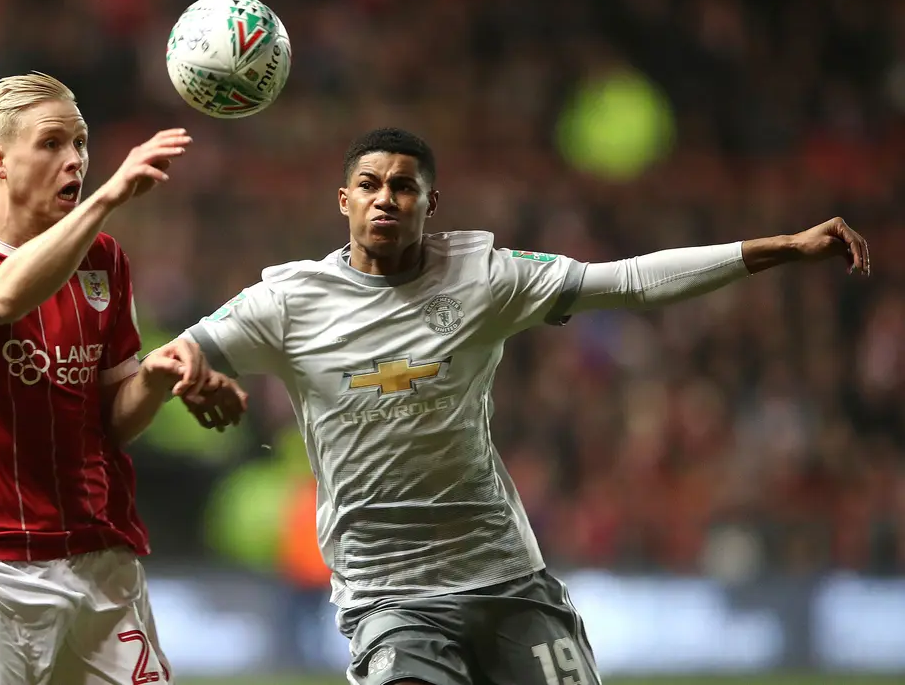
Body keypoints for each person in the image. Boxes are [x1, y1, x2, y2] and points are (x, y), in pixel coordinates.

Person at [181, 127, 871, 685]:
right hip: (388, 597)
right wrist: (192, 373)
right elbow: (171, 356)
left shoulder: (483, 276)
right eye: (369, 185)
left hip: (505, 579)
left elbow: (627, 282)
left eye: (402, 186)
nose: (384, 199)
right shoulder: (287, 302)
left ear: (431, 203)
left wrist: (779, 247)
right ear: (342, 200)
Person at [0, 72, 245, 685]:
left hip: (100, 566)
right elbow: (4, 296)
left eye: (81, 144)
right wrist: (108, 196)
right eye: (53, 143)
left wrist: (160, 375)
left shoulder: (104, 261)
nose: (76, 160)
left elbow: (115, 418)